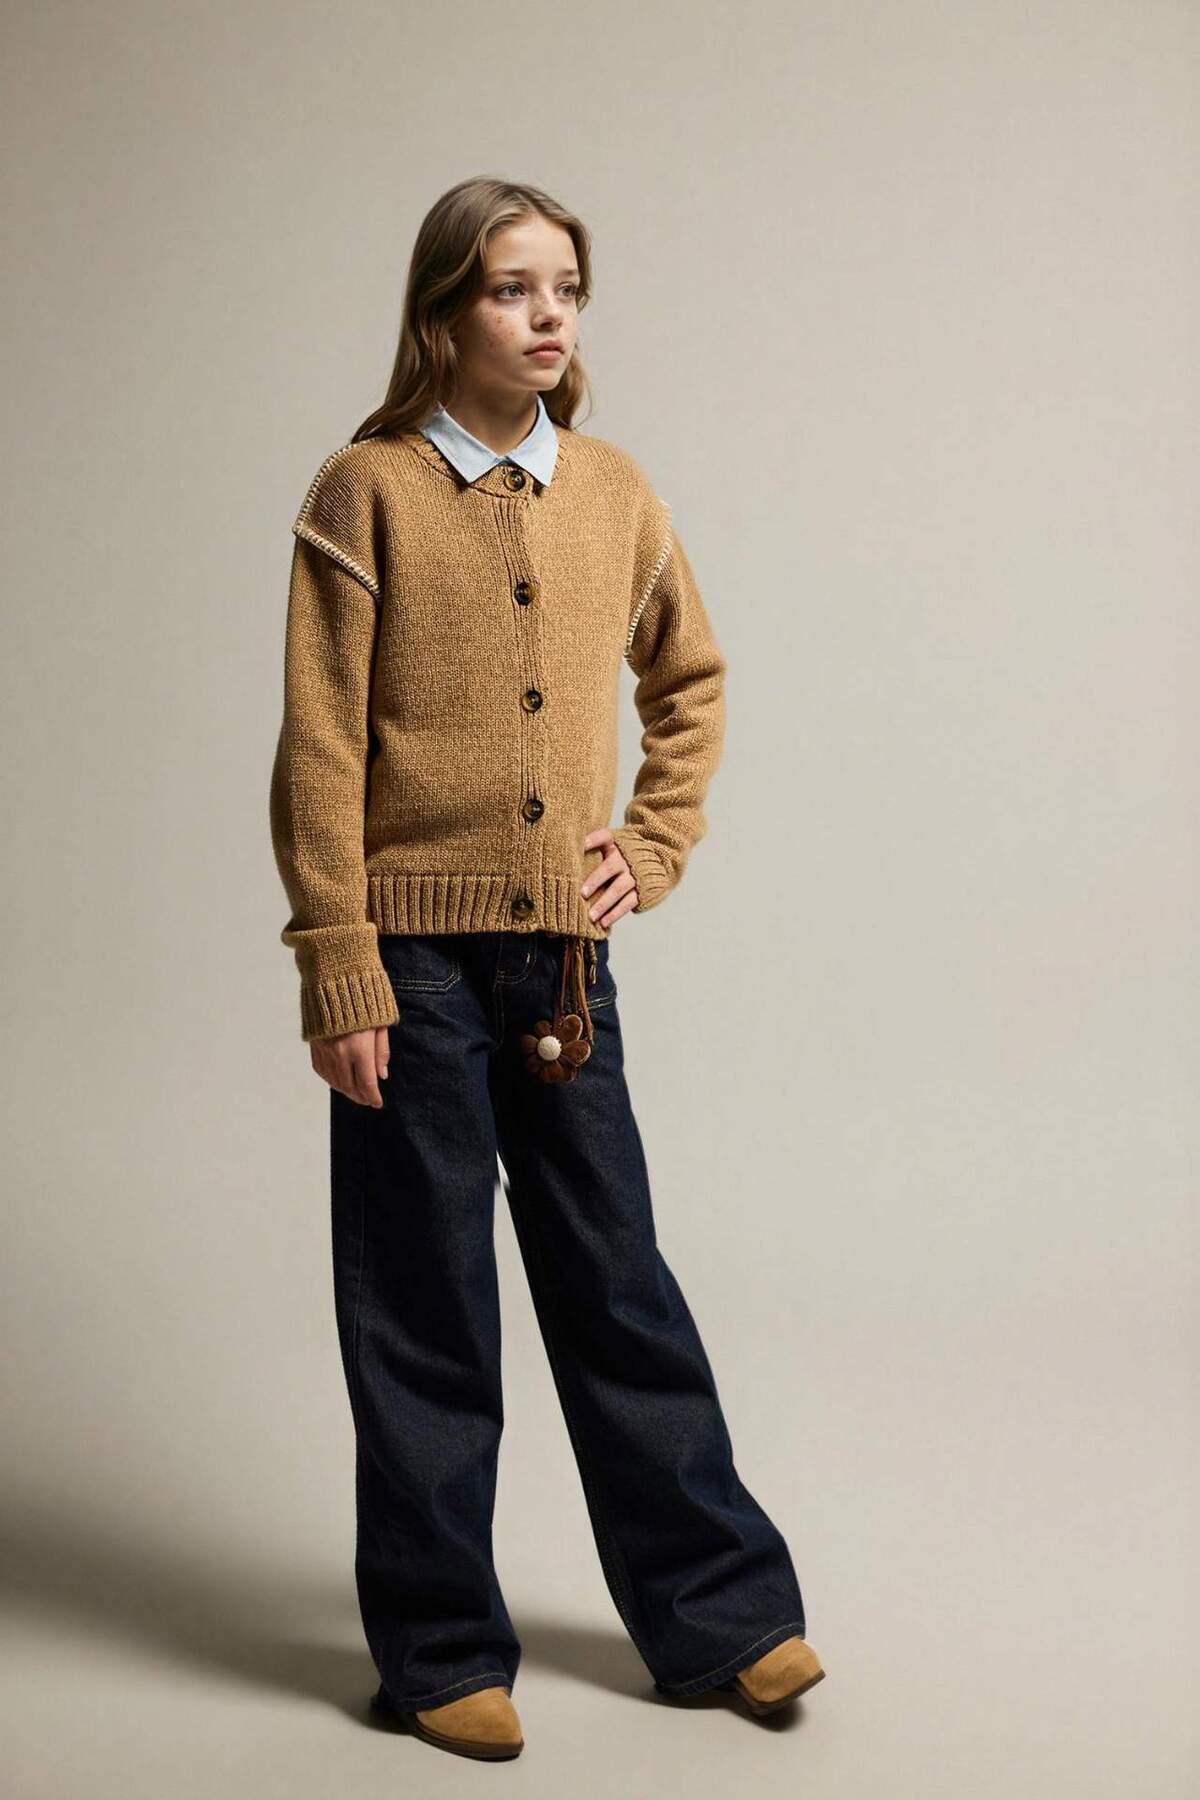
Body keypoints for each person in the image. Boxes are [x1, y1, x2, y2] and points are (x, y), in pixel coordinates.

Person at [268, 175, 825, 1763]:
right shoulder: (366, 490)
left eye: (565, 287)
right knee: (426, 1304)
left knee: (616, 1278)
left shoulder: (614, 492)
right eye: (513, 288)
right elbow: (320, 745)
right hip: (413, 964)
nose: (548, 315)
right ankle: (441, 1649)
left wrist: (651, 844)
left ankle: (721, 1618)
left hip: (563, 962)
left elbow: (690, 680)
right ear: (443, 311)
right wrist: (340, 964)